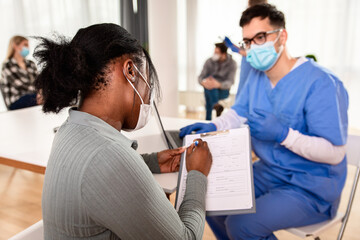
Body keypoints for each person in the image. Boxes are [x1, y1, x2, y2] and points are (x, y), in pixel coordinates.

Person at [180, 4, 348, 240]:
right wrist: (215, 125)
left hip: (310, 185)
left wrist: (284, 134)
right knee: (208, 200)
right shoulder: (257, 76)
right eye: (247, 41)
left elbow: (334, 154)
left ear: (282, 36)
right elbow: (239, 113)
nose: (252, 47)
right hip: (269, 171)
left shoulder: (321, 83)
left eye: (260, 37)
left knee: (242, 225)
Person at [37, 23, 213, 239]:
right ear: (130, 70)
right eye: (149, 84)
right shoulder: (107, 156)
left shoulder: (69, 129)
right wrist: (197, 173)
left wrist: (152, 162)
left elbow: (98, 177)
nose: (148, 98)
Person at [224, 0, 268, 102]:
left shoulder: (262, 23)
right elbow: (249, 46)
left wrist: (236, 49)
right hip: (247, 63)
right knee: (243, 96)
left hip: (254, 65)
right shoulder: (251, 24)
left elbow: (257, 51)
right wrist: (233, 46)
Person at [198, 42, 237, 120]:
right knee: (209, 88)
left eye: (217, 53)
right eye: (214, 52)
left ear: (223, 54)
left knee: (209, 93)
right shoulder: (209, 61)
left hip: (223, 91)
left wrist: (218, 84)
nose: (214, 54)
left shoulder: (232, 63)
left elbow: (230, 82)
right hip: (210, 88)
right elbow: (200, 77)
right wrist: (204, 83)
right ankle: (216, 105)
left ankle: (208, 120)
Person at [0, 36, 40, 110]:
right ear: (15, 46)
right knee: (43, 98)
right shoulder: (7, 65)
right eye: (25, 45)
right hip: (16, 100)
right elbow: (20, 85)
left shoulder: (31, 64)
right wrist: (41, 93)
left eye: (28, 45)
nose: (27, 48)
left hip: (33, 96)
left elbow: (39, 81)